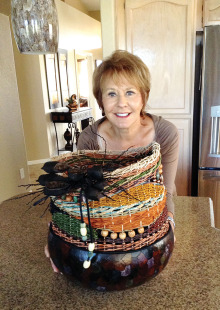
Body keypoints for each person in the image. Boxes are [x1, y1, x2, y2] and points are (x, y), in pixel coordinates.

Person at [77, 49, 179, 233]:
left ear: (143, 97)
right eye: (111, 94)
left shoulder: (166, 134)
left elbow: (166, 192)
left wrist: (169, 226)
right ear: (100, 101)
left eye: (130, 92)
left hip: (153, 215)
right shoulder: (89, 140)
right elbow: (85, 195)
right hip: (108, 221)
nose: (121, 103)